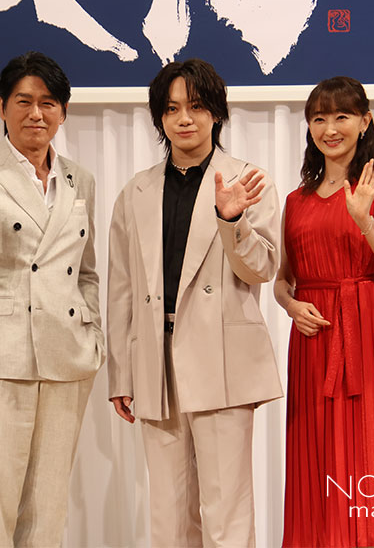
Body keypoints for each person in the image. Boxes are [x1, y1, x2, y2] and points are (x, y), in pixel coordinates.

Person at [107, 58, 283, 547]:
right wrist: (121, 373)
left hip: (222, 361)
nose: (184, 118)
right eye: (171, 109)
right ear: (160, 118)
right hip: (155, 362)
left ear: (216, 113)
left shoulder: (247, 179)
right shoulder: (136, 191)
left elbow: (263, 268)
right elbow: (121, 289)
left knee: (227, 510)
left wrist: (233, 221)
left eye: (196, 106)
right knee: (167, 514)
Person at [0, 51, 103, 547]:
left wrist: (91, 331)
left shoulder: (79, 179)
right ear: (2, 106)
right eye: (24, 101)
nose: (36, 113)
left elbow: (87, 270)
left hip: (66, 357)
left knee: (48, 508)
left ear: (64, 112)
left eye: (48, 103)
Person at [274, 76, 374, 547]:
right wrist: (290, 305)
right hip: (313, 339)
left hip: (367, 332)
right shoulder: (295, 200)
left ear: (365, 121)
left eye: (342, 116)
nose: (330, 128)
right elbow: (282, 280)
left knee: (369, 445)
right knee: (316, 449)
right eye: (319, 118)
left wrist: (365, 222)